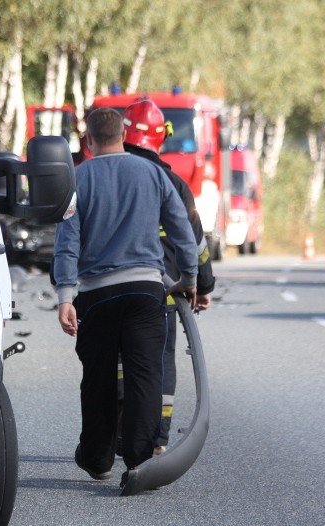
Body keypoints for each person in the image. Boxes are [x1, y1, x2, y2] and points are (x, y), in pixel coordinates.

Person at [53, 107, 198, 489]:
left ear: (88, 140)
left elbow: (68, 241)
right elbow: (180, 225)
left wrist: (66, 295)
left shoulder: (77, 178)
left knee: (97, 377)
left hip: (96, 295)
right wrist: (189, 276)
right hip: (146, 291)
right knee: (145, 374)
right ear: (123, 134)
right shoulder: (152, 173)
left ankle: (98, 459)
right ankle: (138, 461)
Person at [117, 97, 216, 455]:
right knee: (160, 359)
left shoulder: (104, 176)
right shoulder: (174, 184)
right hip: (167, 291)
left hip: (111, 287)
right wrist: (201, 285)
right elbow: (195, 242)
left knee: (117, 360)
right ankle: (158, 438)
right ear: (162, 137)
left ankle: (117, 430)